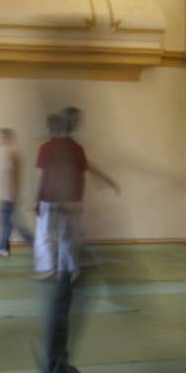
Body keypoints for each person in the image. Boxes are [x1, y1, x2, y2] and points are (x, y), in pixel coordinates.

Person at [33, 109, 119, 279]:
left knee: (46, 236)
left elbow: (42, 176)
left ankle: (50, 269)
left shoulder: (49, 147)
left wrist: (37, 199)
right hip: (71, 199)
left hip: (51, 198)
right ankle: (68, 270)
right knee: (67, 237)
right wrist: (106, 180)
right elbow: (86, 168)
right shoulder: (76, 147)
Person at [0, 128, 33, 257]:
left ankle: (4, 248)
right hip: (7, 194)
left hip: (7, 195)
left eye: (1, 137)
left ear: (7, 138)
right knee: (10, 223)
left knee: (8, 223)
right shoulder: (11, 153)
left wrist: (10, 194)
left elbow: (10, 175)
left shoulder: (9, 153)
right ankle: (4, 248)